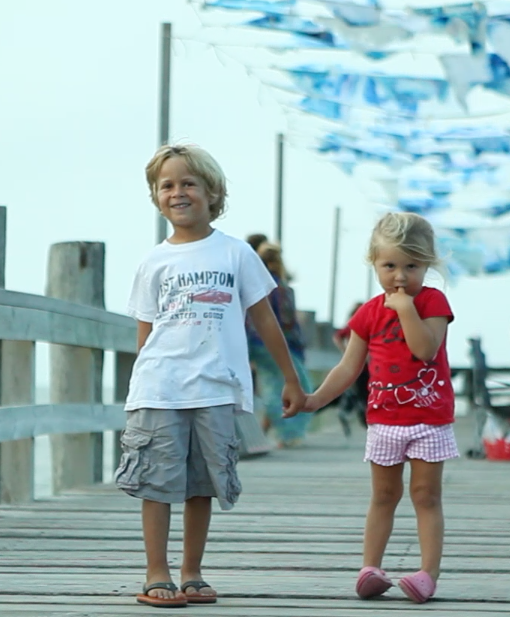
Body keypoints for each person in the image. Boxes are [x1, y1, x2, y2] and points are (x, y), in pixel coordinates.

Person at [115, 143, 306, 608]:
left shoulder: (236, 253)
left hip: (216, 387)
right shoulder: (152, 261)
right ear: (156, 197)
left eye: (188, 183)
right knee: (158, 481)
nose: (177, 192)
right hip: (160, 386)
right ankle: (155, 571)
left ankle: (192, 571)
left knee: (202, 482)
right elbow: (145, 335)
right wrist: (139, 388)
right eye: (167, 185)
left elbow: (265, 320)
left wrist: (290, 379)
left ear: (211, 192)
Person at [287, 212, 456, 604]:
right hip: (384, 421)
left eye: (411, 266)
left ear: (427, 264)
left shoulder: (432, 302)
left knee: (426, 495)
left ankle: (428, 573)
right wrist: (314, 399)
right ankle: (370, 568)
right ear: (374, 263)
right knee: (383, 495)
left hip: (429, 420)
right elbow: (349, 366)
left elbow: (425, 349)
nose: (400, 276)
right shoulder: (368, 312)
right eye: (390, 265)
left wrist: (405, 309)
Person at [247, 243, 315, 448]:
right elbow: (286, 322)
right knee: (290, 387)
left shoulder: (256, 284)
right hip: (279, 344)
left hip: (257, 343)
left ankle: (271, 433)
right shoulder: (279, 287)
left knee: (271, 387)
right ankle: (288, 434)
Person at [332, 302, 369, 436]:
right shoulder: (355, 325)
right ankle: (354, 413)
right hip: (361, 366)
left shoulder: (361, 325)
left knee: (363, 394)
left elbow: (337, 337)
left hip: (366, 366)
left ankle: (350, 411)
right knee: (363, 394)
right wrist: (346, 351)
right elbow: (337, 337)